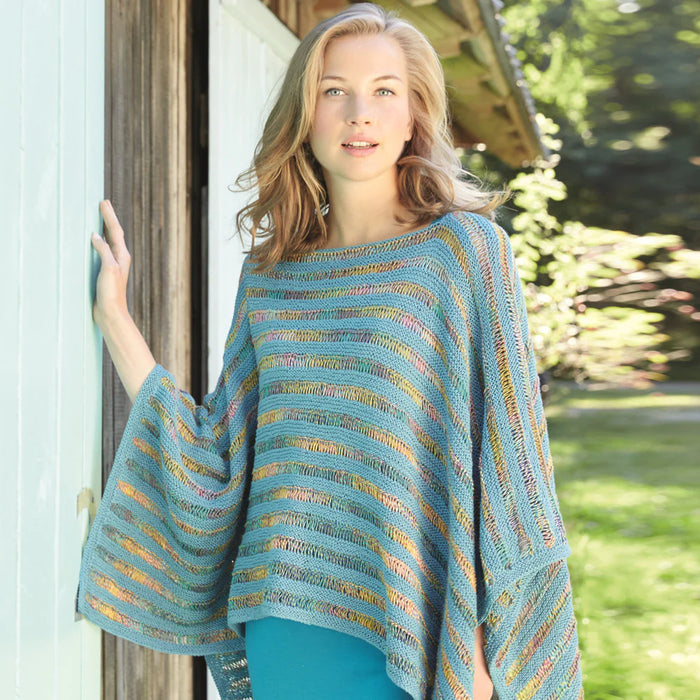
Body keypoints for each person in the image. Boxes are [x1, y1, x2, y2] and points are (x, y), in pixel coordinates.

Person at [82, 3, 584, 699]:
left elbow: (508, 454)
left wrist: (474, 640)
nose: (359, 114)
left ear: (413, 117)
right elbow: (218, 455)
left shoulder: (463, 254)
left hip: (415, 622)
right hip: (286, 622)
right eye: (334, 90)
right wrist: (114, 318)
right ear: (305, 115)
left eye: (384, 91)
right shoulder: (271, 274)